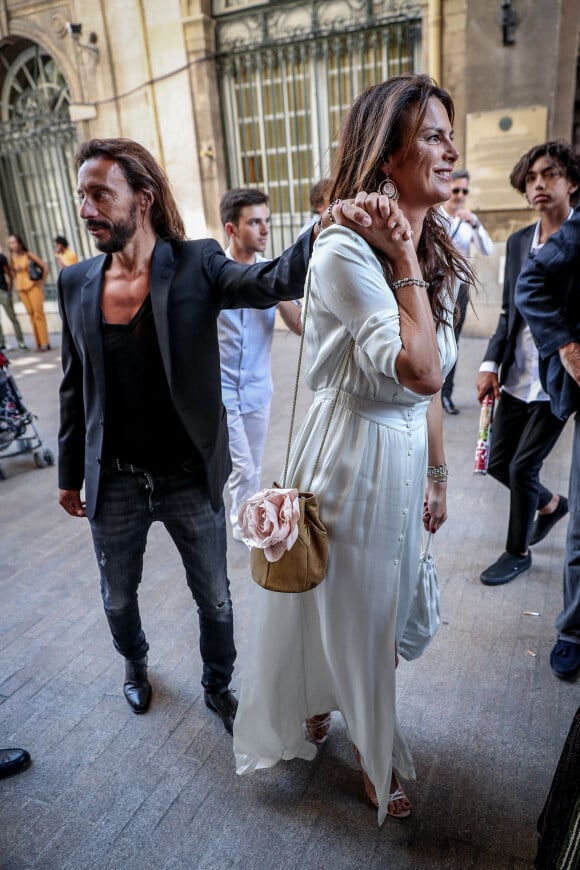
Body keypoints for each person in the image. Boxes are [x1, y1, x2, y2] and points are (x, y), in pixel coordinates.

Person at [233, 74, 470, 824]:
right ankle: (371, 745)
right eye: (433, 135)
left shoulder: (429, 241)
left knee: (377, 603)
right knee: (351, 608)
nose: (451, 149)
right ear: (386, 152)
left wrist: (437, 472)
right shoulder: (343, 249)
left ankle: (320, 697)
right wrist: (401, 260)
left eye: (446, 134)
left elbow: (430, 392)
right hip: (350, 454)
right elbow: (419, 368)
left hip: (402, 453)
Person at [57, 137, 345, 734]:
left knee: (214, 597)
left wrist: (324, 227)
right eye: (82, 196)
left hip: (190, 476)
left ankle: (218, 684)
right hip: (112, 484)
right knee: (116, 596)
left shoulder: (197, 263)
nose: (86, 209)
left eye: (99, 195)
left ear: (143, 197)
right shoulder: (75, 282)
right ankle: (135, 666)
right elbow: (72, 385)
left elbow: (271, 281)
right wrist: (67, 473)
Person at [477, 141, 578, 586]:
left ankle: (517, 552)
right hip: (517, 372)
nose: (540, 183)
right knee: (499, 463)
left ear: (572, 182)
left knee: (522, 467)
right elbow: (507, 313)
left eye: (550, 174)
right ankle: (551, 504)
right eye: (533, 177)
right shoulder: (519, 242)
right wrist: (488, 363)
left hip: (557, 378)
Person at [515, 204, 580, 680]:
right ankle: (573, 629)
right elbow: (524, 289)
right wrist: (567, 345)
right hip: (526, 382)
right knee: (514, 467)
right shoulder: (527, 239)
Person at [218, 188, 302, 541]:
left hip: (257, 392)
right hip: (221, 394)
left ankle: (247, 523)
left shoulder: (272, 275)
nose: (264, 229)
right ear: (231, 229)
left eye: (265, 221)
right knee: (244, 467)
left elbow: (300, 325)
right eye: (254, 222)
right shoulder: (213, 273)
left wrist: (279, 290)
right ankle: (244, 528)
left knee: (250, 463)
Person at [440, 169, 493, 414]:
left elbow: (488, 249)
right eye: (456, 190)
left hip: (459, 289)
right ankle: (428, 392)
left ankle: (446, 395)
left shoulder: (468, 221)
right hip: (435, 288)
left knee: (453, 342)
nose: (460, 195)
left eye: (465, 191)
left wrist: (476, 223)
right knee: (431, 340)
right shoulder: (436, 217)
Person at [8, 234, 50, 352]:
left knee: (38, 314)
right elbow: (14, 274)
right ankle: (37, 343)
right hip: (21, 289)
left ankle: (44, 343)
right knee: (31, 316)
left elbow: (44, 266)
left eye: (14, 242)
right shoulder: (12, 257)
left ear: (20, 243)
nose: (12, 245)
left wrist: (42, 281)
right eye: (10, 243)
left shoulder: (29, 255)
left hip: (33, 287)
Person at [0, 247, 26, 350]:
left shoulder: (1, 257)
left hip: (3, 291)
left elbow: (9, 274)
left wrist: (9, 288)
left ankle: (21, 342)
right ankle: (1, 343)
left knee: (12, 318)